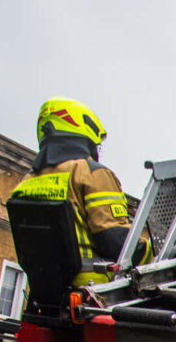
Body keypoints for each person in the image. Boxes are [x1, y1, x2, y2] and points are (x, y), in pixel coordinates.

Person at [8, 97, 152, 289]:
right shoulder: (91, 173)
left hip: (44, 293)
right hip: (94, 294)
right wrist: (155, 253)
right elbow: (113, 239)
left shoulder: (25, 183)